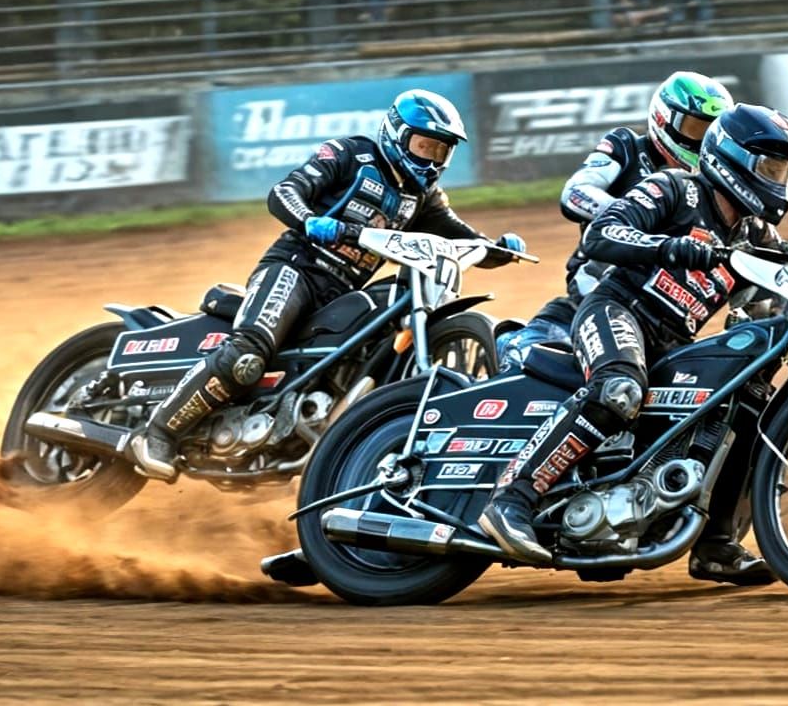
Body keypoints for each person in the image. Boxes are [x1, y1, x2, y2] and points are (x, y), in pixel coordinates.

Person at [480, 103, 788, 584]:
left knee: (749, 403)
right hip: (614, 310)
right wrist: (668, 245)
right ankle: (511, 499)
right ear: (733, 158)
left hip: (670, 340)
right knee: (619, 389)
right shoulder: (675, 188)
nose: (780, 180)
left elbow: (780, 285)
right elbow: (601, 233)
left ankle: (716, 546)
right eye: (771, 167)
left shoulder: (753, 232)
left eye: (786, 170)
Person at [131, 90, 526, 481]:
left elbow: (457, 235)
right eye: (423, 145)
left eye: (440, 152)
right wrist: (308, 220)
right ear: (397, 134)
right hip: (295, 269)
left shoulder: (422, 196)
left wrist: (495, 248)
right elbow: (284, 192)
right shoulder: (351, 154)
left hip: (341, 294)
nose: (430, 159)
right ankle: (159, 432)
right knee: (248, 353)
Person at [497, 71, 734, 371]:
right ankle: (516, 343)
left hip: (662, 315)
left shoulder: (709, 184)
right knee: (532, 363)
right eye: (695, 128)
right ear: (663, 119)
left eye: (710, 132)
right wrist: (631, 220)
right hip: (597, 285)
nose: (701, 141)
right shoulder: (626, 146)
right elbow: (575, 194)